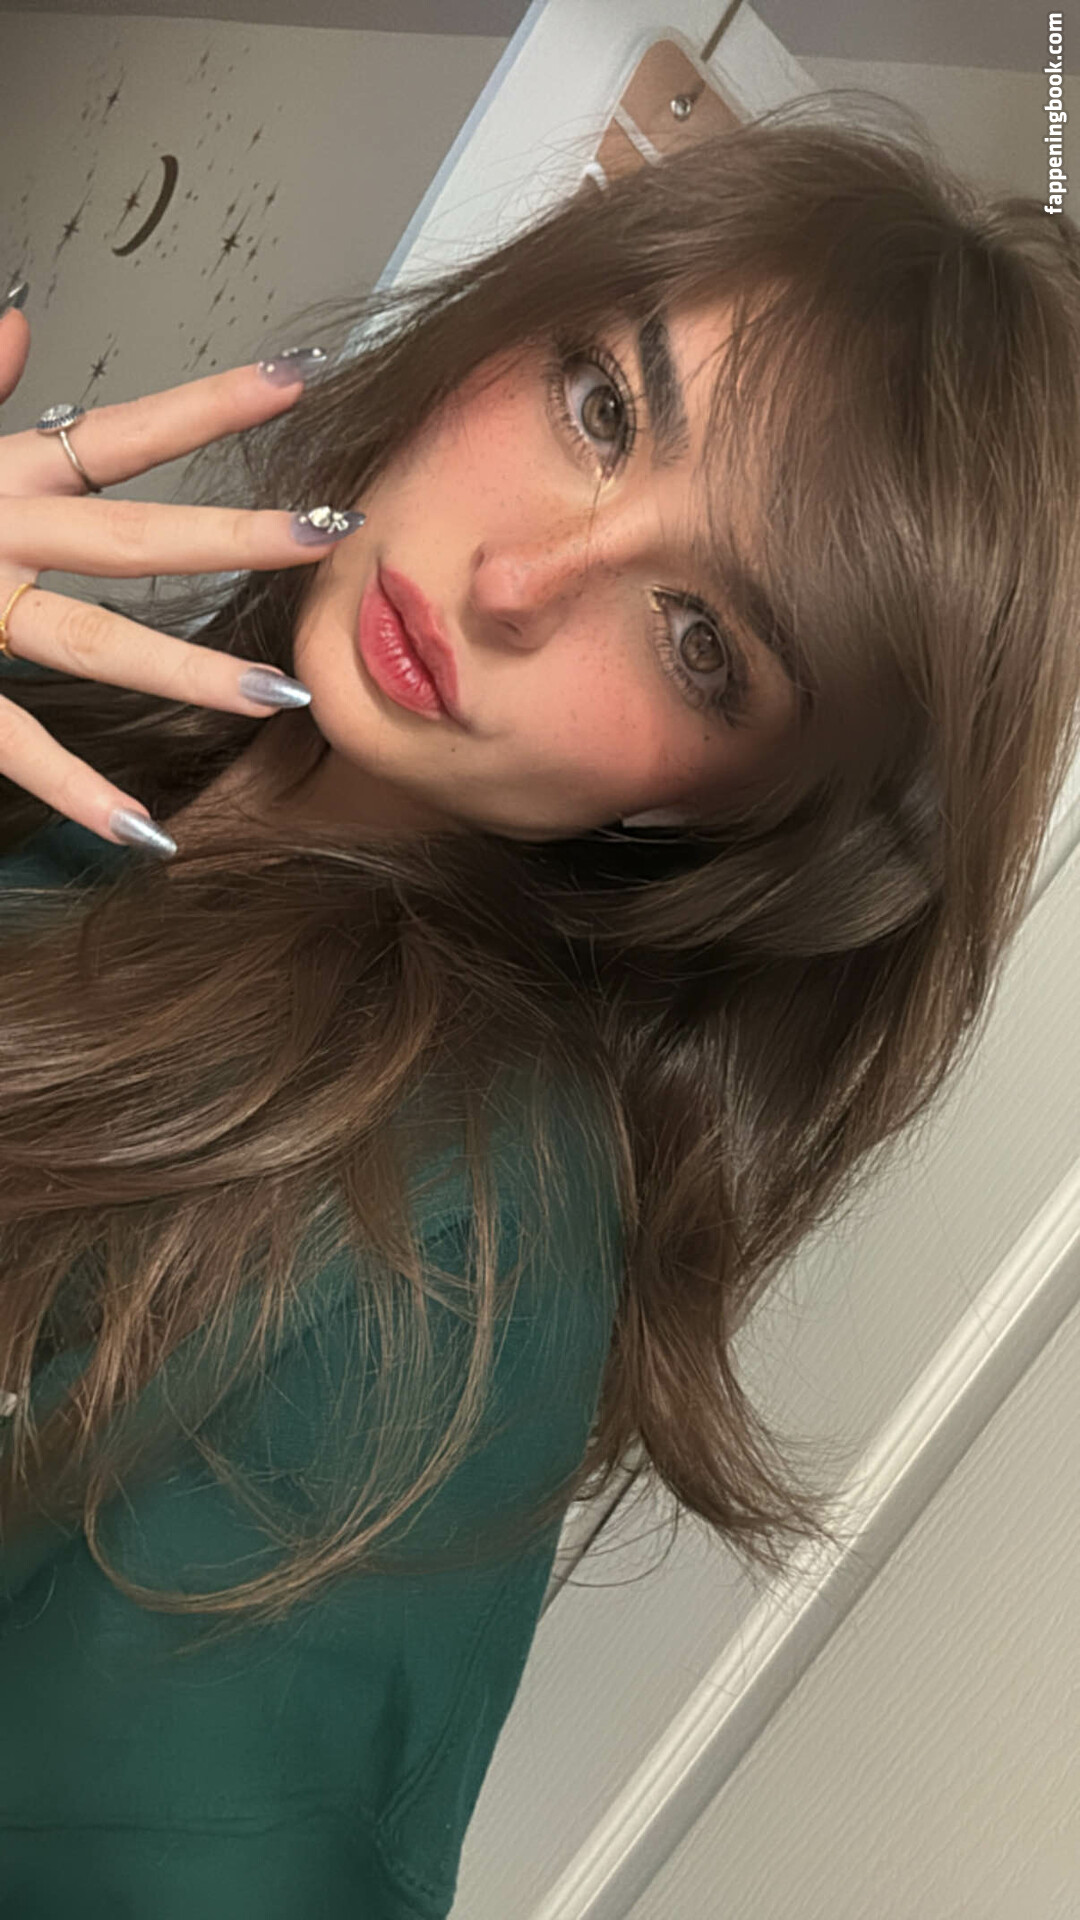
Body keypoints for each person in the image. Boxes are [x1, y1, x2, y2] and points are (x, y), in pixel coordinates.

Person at [1, 91, 1079, 1913]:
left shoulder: (432, 1241)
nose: (516, 584)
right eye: (602, 407)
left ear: (742, 810)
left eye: (702, 643)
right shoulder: (133, 751)